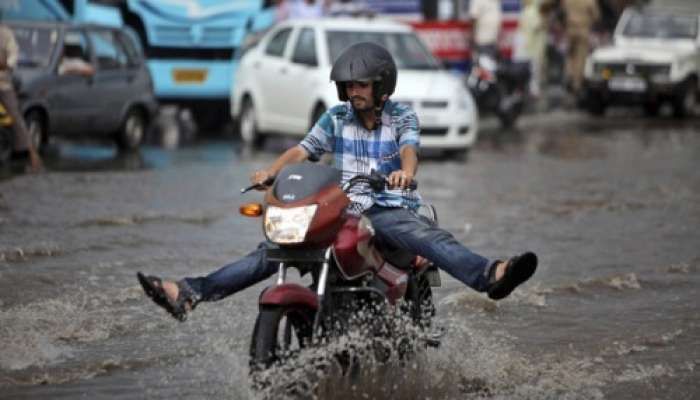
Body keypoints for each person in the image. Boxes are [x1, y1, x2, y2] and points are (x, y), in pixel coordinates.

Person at [137, 42, 538, 321]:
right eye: (348, 85)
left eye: (361, 84)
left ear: (381, 86)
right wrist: (272, 171)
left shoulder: (402, 117)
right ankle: (189, 293)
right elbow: (303, 151)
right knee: (273, 249)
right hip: (340, 207)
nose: (353, 91)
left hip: (385, 208)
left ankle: (491, 274)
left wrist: (405, 173)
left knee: (429, 237)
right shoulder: (336, 117)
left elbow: (410, 150)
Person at [0, 19, 42, 172]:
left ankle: (32, 155)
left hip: (2, 83)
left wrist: (5, 64)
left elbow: (12, 56)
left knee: (15, 116)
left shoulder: (5, 34)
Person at [561, 0, 599, 95]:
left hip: (570, 29)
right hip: (583, 30)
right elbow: (596, 15)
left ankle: (569, 74)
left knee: (570, 56)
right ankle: (577, 83)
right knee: (580, 58)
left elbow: (562, 11)